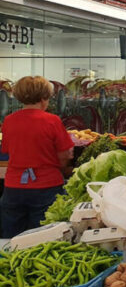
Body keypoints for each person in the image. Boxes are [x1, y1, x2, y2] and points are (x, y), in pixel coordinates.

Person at [0, 76, 74, 237]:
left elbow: (6, 150)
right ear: (43, 99)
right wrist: (62, 167)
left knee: (10, 237)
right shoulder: (52, 121)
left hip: (13, 187)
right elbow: (65, 153)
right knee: (44, 237)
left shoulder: (9, 121)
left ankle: (8, 261)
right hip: (46, 187)